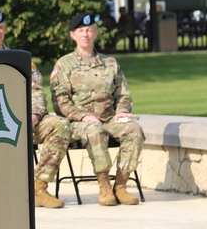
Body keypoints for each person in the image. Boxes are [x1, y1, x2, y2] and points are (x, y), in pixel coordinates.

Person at [0, 8, 70, 208]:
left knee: (60, 125)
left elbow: (37, 92)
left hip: (23, 123)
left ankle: (38, 187)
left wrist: (34, 115)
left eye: (0, 27)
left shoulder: (20, 60)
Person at [50, 12, 144, 206]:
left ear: (96, 33)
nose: (85, 34)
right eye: (80, 31)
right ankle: (104, 185)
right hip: (78, 123)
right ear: (72, 35)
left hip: (109, 119)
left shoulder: (110, 63)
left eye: (89, 30)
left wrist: (122, 111)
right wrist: (83, 117)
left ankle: (120, 186)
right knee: (95, 130)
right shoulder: (64, 64)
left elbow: (123, 94)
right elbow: (60, 102)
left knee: (135, 130)